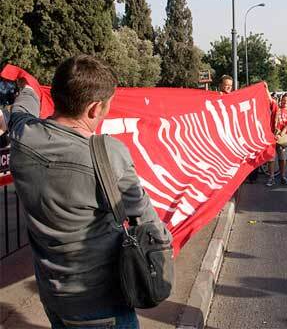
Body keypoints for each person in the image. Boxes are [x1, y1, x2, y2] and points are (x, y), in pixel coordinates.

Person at [3, 55, 169, 328]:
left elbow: (22, 107)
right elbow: (146, 221)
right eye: (107, 106)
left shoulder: (22, 137)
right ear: (94, 108)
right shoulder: (110, 154)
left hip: (53, 296)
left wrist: (29, 86)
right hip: (102, 302)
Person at [267, 93, 287, 186]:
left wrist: (280, 135)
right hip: (271, 137)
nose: (285, 102)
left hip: (282, 138)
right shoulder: (276, 108)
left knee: (283, 159)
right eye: (284, 100)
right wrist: (266, 89)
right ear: (281, 100)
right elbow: (270, 100)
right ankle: (271, 177)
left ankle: (283, 176)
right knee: (271, 159)